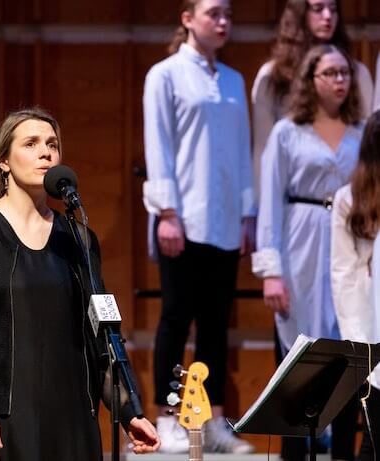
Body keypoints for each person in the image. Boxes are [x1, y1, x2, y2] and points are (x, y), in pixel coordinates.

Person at [0, 107, 160, 461]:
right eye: (31, 143)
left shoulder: (78, 237)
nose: (46, 152)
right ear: (4, 162)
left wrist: (129, 410)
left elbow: (102, 333)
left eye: (52, 145)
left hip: (72, 420)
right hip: (0, 419)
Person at [141, 0, 256, 454]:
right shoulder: (165, 75)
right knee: (175, 317)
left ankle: (211, 421)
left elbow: (243, 153)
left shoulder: (232, 80)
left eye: (228, 14)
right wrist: (167, 213)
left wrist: (247, 214)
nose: (223, 22)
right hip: (183, 220)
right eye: (214, 14)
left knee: (214, 325)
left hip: (225, 220)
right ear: (188, 18)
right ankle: (168, 415)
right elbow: (159, 145)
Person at [252, 44, 364, 461]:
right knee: (299, 361)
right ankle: (295, 454)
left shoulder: (360, 130)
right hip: (300, 245)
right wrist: (271, 271)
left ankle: (345, 454)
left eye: (344, 73)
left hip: (347, 247)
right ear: (311, 80)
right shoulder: (288, 132)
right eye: (330, 73)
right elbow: (271, 202)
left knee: (350, 351)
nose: (339, 80)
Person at [251, 0, 374, 197]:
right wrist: (257, 207)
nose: (327, 17)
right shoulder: (272, 76)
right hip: (295, 202)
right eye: (318, 9)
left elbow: (368, 144)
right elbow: (262, 151)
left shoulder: (357, 74)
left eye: (333, 10)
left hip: (347, 200)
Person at [331, 110, 380, 461]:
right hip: (372, 330)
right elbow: (344, 276)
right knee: (374, 437)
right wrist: (360, 349)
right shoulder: (350, 198)